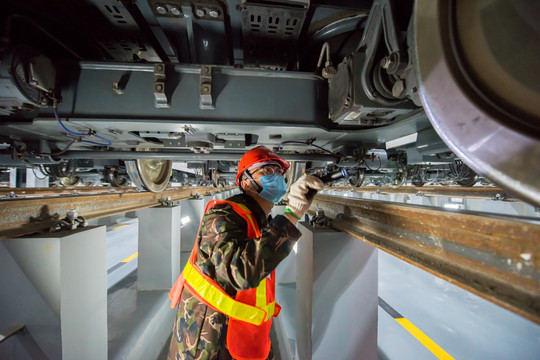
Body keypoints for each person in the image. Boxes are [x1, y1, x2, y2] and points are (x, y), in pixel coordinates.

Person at [167, 145, 323, 360]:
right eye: (267, 171)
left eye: (279, 172)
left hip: (238, 336)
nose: (276, 176)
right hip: (206, 343)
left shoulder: (260, 220)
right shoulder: (223, 214)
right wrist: (292, 213)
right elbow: (242, 272)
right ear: (246, 182)